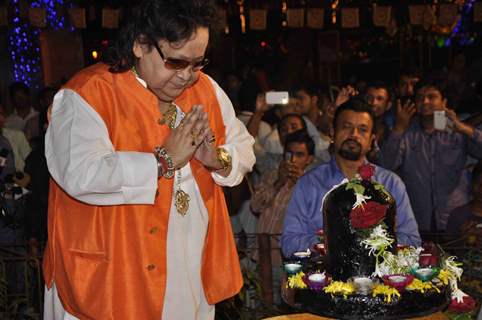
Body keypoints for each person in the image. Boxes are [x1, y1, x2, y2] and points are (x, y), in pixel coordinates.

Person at [42, 1, 255, 319]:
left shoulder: (207, 89)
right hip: (112, 273)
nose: (187, 76)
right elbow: (80, 173)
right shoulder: (86, 94)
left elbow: (244, 148)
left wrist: (217, 158)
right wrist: (163, 161)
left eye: (197, 63)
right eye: (175, 62)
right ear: (140, 45)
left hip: (189, 268)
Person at [281, 98, 421, 258]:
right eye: (346, 127)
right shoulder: (309, 183)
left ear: (371, 140)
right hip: (323, 279)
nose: (354, 135)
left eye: (362, 129)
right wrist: (334, 241)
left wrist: (371, 242)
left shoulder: (390, 183)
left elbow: (412, 241)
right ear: (333, 133)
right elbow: (289, 244)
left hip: (379, 280)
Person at [380, 80, 482, 232]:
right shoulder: (407, 131)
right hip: (419, 220)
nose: (425, 101)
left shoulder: (454, 129)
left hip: (456, 218)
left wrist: (464, 128)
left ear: (444, 102)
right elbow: (385, 166)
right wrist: (398, 129)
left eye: (431, 97)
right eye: (420, 97)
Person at [251, 130, 315, 304]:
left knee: (287, 308)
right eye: (289, 154)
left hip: (290, 262)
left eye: (299, 155)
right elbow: (255, 206)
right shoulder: (272, 175)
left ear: (309, 159)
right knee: (261, 308)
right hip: (262, 256)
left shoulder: (312, 184)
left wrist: (300, 185)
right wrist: (279, 182)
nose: (292, 160)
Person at [446, 161, 482, 244]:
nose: (481, 190)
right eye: (478, 184)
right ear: (472, 183)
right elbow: (447, 250)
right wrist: (462, 239)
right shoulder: (458, 215)